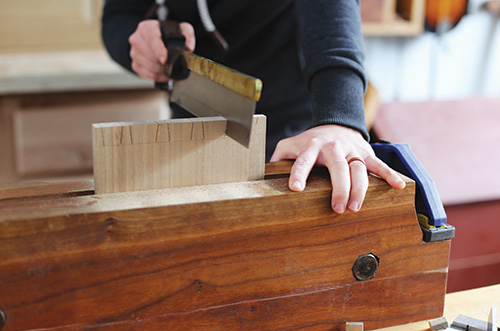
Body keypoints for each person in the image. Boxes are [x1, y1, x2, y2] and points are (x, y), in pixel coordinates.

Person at [101, 0, 406, 213]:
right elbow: (120, 12)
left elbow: (330, 13)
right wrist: (135, 42)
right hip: (194, 116)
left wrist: (340, 117)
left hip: (296, 127)